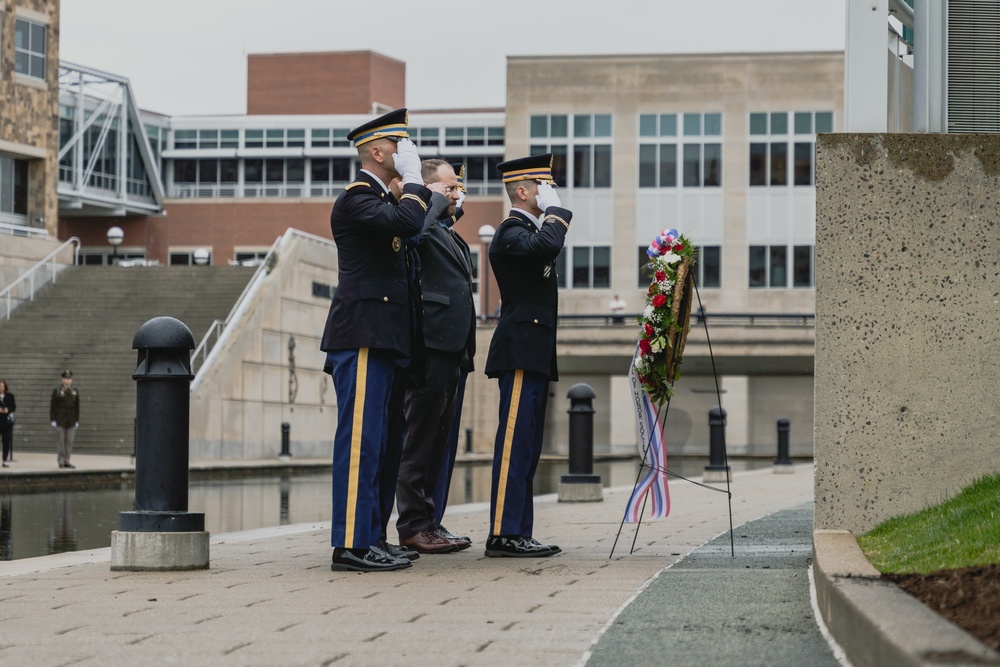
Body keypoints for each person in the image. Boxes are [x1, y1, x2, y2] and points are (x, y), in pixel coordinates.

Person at [320, 108, 432, 573]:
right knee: (361, 443)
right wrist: (416, 183)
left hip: (384, 337)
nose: (406, 153)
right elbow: (408, 222)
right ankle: (350, 543)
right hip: (362, 334)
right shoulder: (357, 198)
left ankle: (371, 537)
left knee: (383, 445)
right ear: (377, 151)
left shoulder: (384, 200)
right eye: (399, 146)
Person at [483, 153, 572, 558]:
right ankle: (503, 533)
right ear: (523, 190)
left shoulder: (529, 231)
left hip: (534, 350)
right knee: (514, 444)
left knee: (529, 448)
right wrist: (556, 212)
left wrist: (551, 213)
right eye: (543, 185)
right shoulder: (510, 231)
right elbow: (548, 244)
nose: (549, 191)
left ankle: (519, 530)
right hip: (519, 350)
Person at [395, 160, 476, 554]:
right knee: (419, 441)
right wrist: (432, 200)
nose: (456, 193)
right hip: (431, 346)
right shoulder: (422, 223)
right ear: (429, 189)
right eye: (449, 187)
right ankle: (412, 525)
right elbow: (415, 233)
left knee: (438, 443)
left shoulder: (450, 234)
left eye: (457, 188)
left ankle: (430, 521)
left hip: (453, 348)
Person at [51, 370, 80, 469]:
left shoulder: (74, 391)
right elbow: (53, 406)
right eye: (66, 378)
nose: (68, 380)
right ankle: (61, 461)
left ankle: (67, 460)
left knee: (69, 441)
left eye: (69, 378)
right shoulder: (58, 390)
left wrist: (77, 420)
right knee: (61, 442)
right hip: (60, 420)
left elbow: (77, 406)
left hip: (71, 420)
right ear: (62, 379)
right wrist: (53, 419)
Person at [0, 379, 16, 467]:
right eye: (0, 387)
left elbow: (13, 406)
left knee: (6, 442)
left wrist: (7, 410)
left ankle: (4, 460)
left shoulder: (10, 396)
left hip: (6, 423)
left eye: (3, 386)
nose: (1, 388)